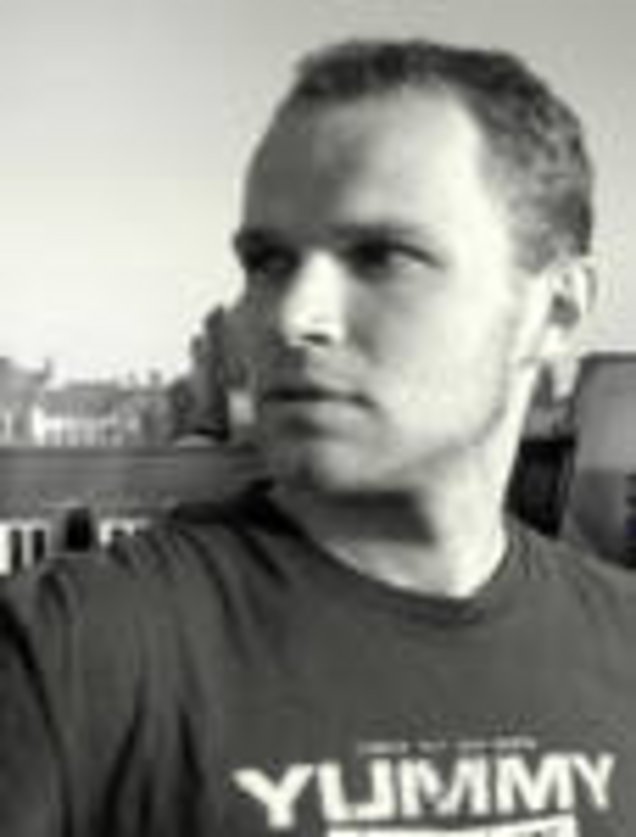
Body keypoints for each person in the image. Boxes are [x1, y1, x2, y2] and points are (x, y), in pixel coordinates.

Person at [1, 37, 635, 837]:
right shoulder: (65, 661)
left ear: (557, 309)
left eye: (382, 256)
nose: (294, 316)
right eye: (267, 261)